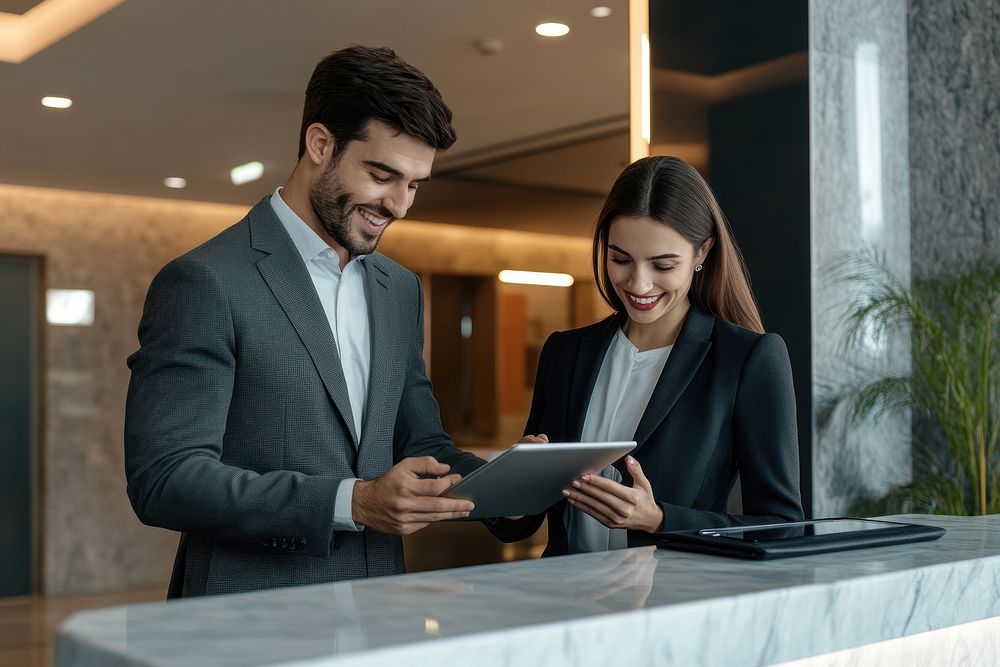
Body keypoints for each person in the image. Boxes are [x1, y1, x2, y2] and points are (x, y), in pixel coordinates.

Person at [124, 46, 483, 598]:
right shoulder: (205, 280)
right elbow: (166, 479)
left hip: (380, 607)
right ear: (321, 144)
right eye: (383, 175)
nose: (400, 205)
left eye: (414, 184)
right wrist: (352, 502)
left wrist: (518, 484)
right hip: (248, 619)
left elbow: (422, 440)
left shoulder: (399, 290)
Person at [491, 156, 803, 555]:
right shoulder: (565, 353)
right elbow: (518, 524)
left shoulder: (748, 359)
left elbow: (784, 528)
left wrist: (659, 520)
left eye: (663, 265)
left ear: (702, 253)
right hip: (568, 601)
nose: (638, 283)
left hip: (673, 604)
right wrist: (518, 486)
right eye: (620, 259)